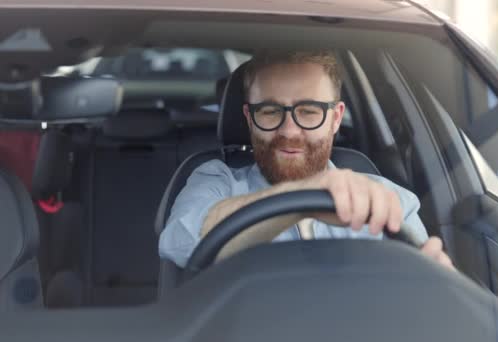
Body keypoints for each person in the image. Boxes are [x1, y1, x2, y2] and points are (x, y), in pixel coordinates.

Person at [159, 50, 454, 270]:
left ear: (336, 118)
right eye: (270, 111)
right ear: (249, 118)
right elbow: (179, 240)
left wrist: (433, 284)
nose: (289, 131)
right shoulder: (215, 180)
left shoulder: (389, 201)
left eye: (309, 111)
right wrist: (304, 195)